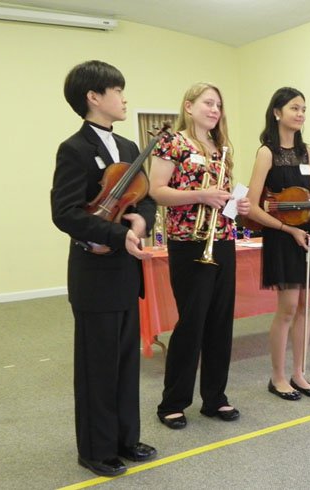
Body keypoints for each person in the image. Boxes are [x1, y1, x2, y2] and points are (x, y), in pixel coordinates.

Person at [51, 60, 157, 477]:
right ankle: (95, 449)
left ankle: (126, 439)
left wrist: (141, 221)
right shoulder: (74, 149)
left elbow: (144, 197)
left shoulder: (131, 148)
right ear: (94, 97)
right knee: (98, 364)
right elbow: (65, 213)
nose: (124, 97)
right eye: (117, 90)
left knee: (126, 360)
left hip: (125, 272)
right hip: (94, 273)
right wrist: (116, 235)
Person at [149, 82, 250, 429]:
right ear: (189, 106)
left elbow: (223, 198)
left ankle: (215, 398)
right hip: (188, 242)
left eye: (219, 105)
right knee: (191, 323)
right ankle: (172, 402)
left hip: (222, 239)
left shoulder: (221, 148)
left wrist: (238, 205)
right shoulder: (173, 142)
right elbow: (157, 192)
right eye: (208, 103)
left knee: (221, 323)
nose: (214, 110)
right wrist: (201, 194)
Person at [246, 87, 310, 401]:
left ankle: (299, 373)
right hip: (283, 235)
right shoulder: (266, 152)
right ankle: (278, 376)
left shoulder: (307, 151)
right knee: (286, 309)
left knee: (304, 308)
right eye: (294, 108)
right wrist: (287, 229)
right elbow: (253, 206)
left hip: (308, 234)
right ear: (277, 112)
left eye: (303, 109)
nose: (300, 114)